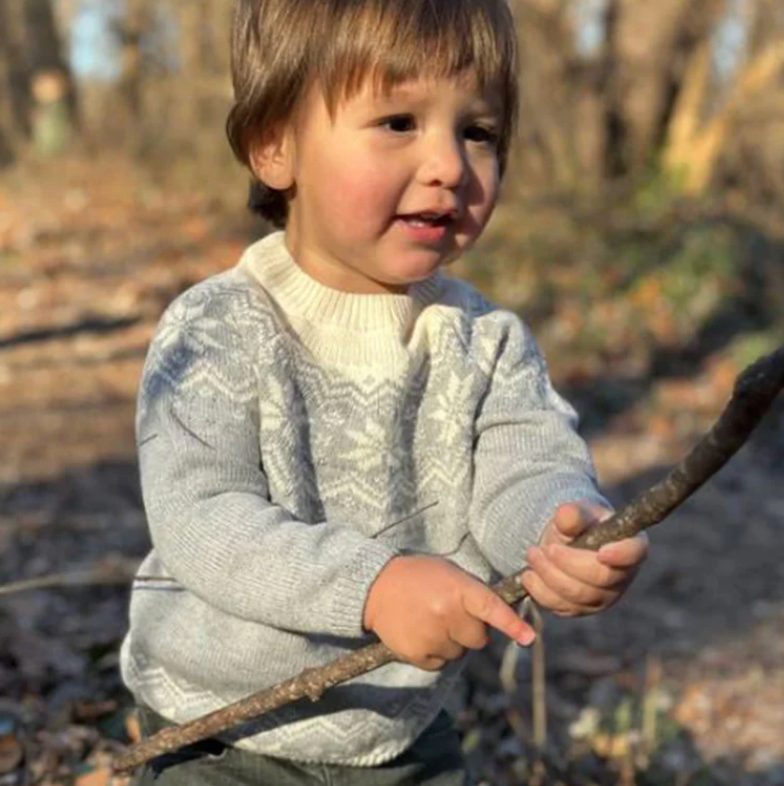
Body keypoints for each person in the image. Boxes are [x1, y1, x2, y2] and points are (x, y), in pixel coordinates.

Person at [121, 0, 649, 783]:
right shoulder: (216, 328)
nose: (448, 164)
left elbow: (525, 470)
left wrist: (561, 536)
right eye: (399, 121)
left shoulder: (486, 344)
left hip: (399, 733)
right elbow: (203, 518)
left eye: (478, 131)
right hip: (220, 729)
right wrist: (372, 587)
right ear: (274, 146)